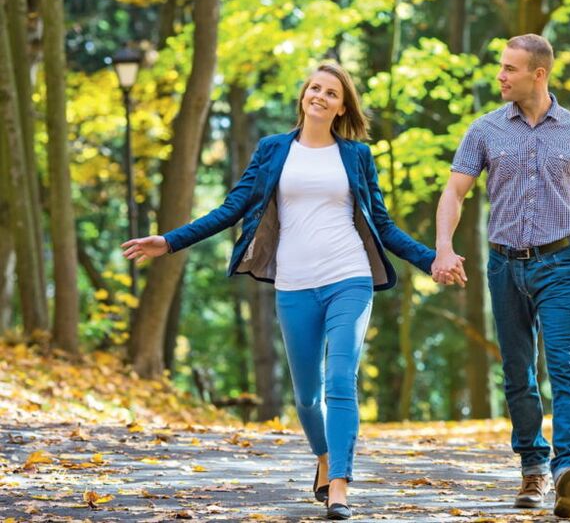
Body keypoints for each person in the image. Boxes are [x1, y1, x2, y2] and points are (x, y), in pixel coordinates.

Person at [122, 62, 456, 520]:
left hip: (349, 277)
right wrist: (170, 241)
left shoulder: (356, 156)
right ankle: (324, 456)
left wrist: (431, 259)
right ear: (304, 96)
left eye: (332, 92)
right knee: (306, 398)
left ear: (342, 107)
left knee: (341, 381)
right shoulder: (274, 150)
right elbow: (232, 207)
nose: (320, 96)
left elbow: (383, 226)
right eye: (315, 88)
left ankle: (339, 486)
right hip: (295, 284)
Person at [432, 34, 570, 519]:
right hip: (504, 266)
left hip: (562, 263)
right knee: (518, 374)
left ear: (538, 74)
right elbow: (454, 193)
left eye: (509, 69)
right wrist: (443, 247)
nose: (500, 75)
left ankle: (569, 468)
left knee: (566, 365)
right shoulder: (485, 130)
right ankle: (533, 469)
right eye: (500, 67)